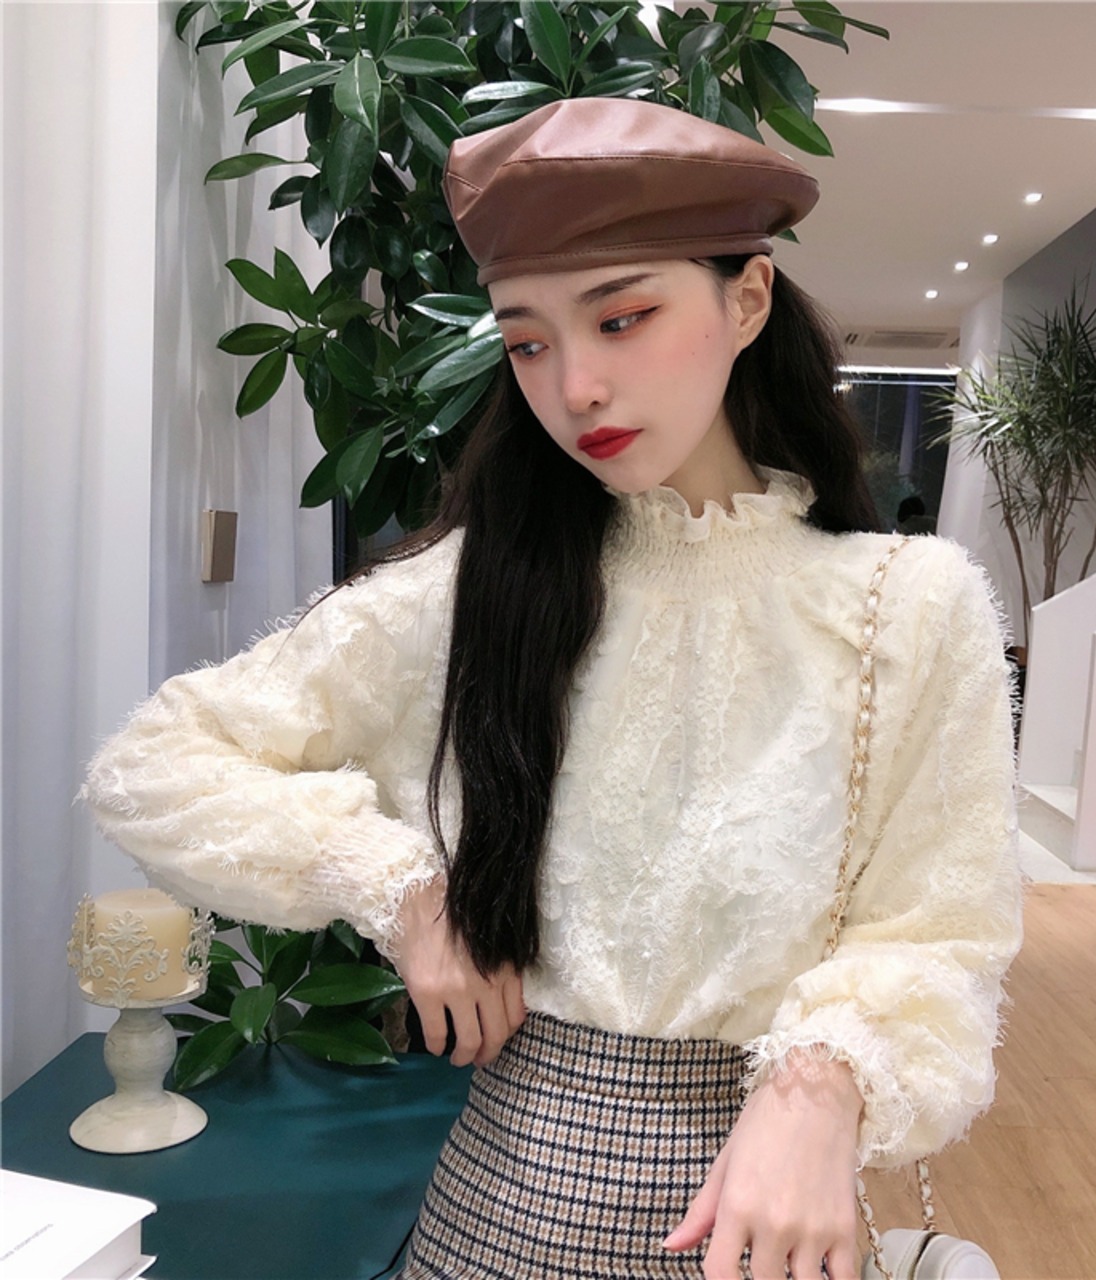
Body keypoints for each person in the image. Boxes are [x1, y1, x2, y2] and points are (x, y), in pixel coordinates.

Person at [82, 98, 1025, 1280]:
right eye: (527, 342)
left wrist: (820, 1081)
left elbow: (939, 930)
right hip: (490, 1221)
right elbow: (151, 765)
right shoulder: (476, 588)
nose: (575, 384)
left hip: (766, 1224)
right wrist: (401, 890)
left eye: (621, 318)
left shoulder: (907, 605)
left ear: (745, 300)